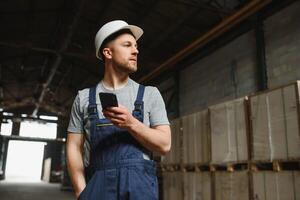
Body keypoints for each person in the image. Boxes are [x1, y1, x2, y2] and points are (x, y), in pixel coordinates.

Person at [66, 20, 171, 200]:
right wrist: (81, 191)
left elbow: (164, 145)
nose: (136, 51)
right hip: (98, 187)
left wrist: (132, 124)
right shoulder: (84, 98)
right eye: (127, 45)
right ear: (108, 52)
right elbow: (74, 146)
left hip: (139, 188)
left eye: (136, 46)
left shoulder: (149, 94)